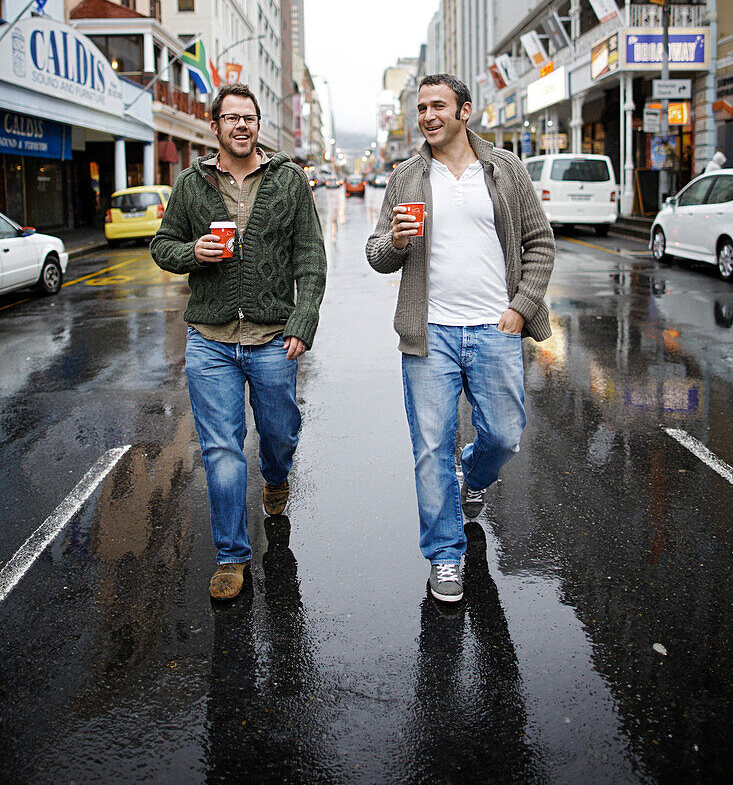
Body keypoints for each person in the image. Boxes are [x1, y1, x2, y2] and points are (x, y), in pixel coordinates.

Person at [366, 74, 555, 603]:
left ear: (465, 111)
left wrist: (520, 309)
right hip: (430, 334)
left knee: (503, 436)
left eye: (438, 106)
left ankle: (472, 477)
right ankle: (445, 555)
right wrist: (397, 242)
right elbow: (377, 255)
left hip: (495, 328)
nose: (428, 116)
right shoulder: (405, 176)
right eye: (421, 107)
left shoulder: (505, 170)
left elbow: (540, 242)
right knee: (430, 448)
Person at [150, 83, 327, 601]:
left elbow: (310, 258)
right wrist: (194, 252)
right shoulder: (191, 185)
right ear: (216, 127)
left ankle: (276, 477)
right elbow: (163, 246)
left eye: (249, 118)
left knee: (279, 433)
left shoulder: (289, 180)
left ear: (258, 124)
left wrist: (303, 319)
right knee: (222, 449)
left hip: (274, 338)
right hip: (211, 339)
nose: (242, 126)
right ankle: (232, 556)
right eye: (232, 119)